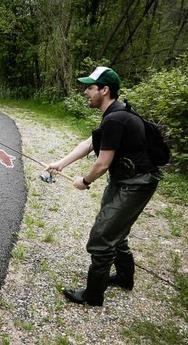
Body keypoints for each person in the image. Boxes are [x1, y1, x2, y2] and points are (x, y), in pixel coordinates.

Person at [46, 66, 160, 306]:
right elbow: (89, 143)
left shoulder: (116, 118)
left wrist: (84, 182)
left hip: (137, 184)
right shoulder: (114, 113)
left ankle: (93, 295)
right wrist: (61, 164)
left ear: (105, 89)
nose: (85, 92)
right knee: (115, 231)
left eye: (90, 87)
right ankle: (124, 278)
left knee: (101, 236)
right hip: (123, 181)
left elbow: (101, 164)